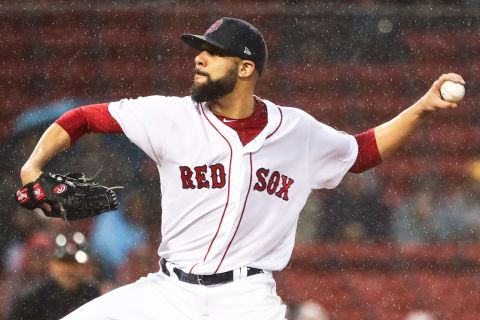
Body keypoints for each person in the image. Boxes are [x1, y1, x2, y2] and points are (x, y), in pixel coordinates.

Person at [18, 17, 464, 320]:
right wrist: (33, 165)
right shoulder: (170, 116)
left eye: (213, 53)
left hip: (245, 298)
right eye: (199, 51)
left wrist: (423, 108)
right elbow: (84, 118)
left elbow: (362, 151)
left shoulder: (296, 131)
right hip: (169, 291)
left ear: (246, 67)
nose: (199, 58)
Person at [7, 232, 100, 320]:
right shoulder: (33, 298)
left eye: (75, 264)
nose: (69, 270)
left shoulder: (92, 294)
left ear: (86, 266)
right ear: (52, 264)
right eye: (64, 263)